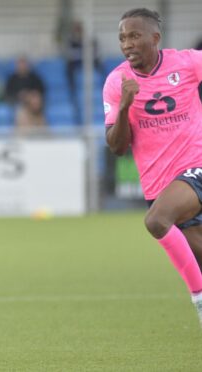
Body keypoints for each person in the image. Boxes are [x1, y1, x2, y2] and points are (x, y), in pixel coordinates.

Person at [104, 8, 202, 327]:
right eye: (122, 38)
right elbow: (117, 147)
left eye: (134, 35)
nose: (127, 43)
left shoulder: (186, 62)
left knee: (156, 221)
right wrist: (124, 107)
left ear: (154, 38)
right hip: (159, 186)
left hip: (196, 167)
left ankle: (198, 299)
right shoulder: (117, 82)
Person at [64, 20, 103, 123]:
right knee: (68, 68)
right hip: (77, 62)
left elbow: (96, 52)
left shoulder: (89, 38)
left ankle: (105, 85)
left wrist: (87, 54)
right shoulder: (71, 39)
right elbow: (69, 53)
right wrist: (82, 53)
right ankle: (72, 89)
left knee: (100, 65)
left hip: (89, 60)